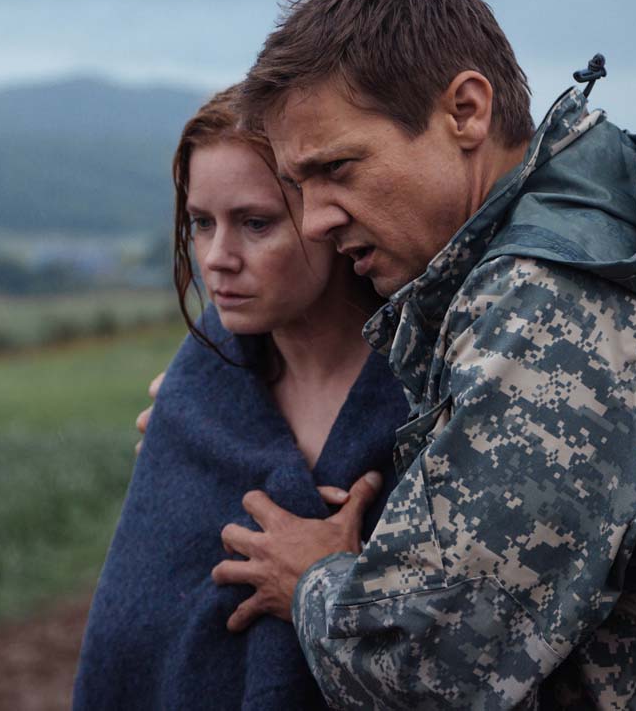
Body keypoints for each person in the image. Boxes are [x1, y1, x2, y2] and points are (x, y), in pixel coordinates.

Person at [207, 0, 636, 708]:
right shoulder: (602, 239)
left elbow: (429, 668)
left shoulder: (548, 309)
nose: (315, 219)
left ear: (466, 112)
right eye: (299, 186)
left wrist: (312, 579)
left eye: (338, 168)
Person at [73, 87, 409, 709]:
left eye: (256, 223)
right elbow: (135, 642)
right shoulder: (195, 403)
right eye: (202, 223)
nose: (217, 259)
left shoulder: (432, 400)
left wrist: (345, 584)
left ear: (326, 216)